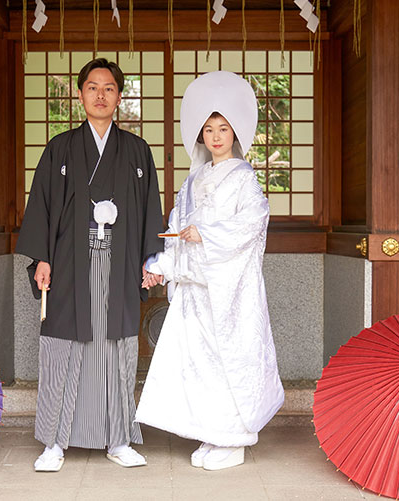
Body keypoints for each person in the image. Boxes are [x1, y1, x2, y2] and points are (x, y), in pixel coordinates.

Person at [16, 58, 163, 472]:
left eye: (109, 88)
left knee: (115, 349)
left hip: (118, 265)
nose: (101, 95)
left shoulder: (136, 151)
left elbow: (151, 208)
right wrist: (42, 258)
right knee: (62, 347)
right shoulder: (60, 148)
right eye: (93, 87)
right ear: (80, 95)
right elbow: (42, 207)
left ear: (120, 96)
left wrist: (151, 261)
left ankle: (117, 438)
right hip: (68, 264)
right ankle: (54, 442)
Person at [136, 71, 285, 470]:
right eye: (208, 129)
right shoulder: (194, 178)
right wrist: (162, 267)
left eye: (223, 128)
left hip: (229, 291)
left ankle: (234, 439)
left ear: (235, 132)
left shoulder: (244, 179)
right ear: (200, 135)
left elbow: (252, 224)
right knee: (198, 363)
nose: (216, 136)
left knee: (227, 360)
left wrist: (208, 233)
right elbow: (178, 231)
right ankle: (210, 434)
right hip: (197, 291)